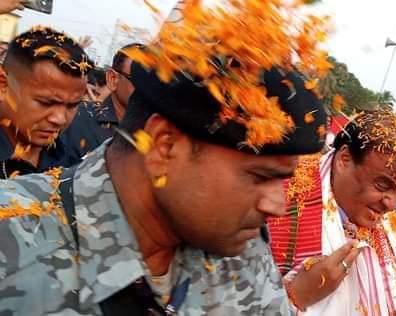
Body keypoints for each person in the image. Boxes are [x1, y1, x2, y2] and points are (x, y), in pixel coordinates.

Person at [0, 42, 330, 316]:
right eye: (259, 177)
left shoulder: (240, 247)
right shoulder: (12, 242)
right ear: (164, 146)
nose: (276, 206)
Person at [269, 111, 396, 315]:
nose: (391, 204)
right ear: (344, 159)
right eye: (382, 184)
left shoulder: (386, 223)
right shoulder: (279, 206)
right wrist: (297, 297)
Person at [0, 27, 92, 178]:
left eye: (73, 105)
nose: (60, 119)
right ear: (4, 86)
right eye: (46, 103)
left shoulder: (71, 164)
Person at [63, 43, 143, 159]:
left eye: (155, 84)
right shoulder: (75, 117)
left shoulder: (156, 134)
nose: (147, 89)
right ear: (113, 79)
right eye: (139, 80)